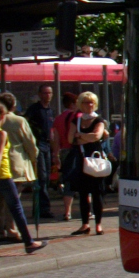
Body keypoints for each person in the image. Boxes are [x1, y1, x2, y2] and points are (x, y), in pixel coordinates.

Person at [0, 102, 46, 260]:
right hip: (2, 176)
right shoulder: (0, 134)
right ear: (2, 117)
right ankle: (29, 242)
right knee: (16, 209)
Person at [0, 93, 38, 243]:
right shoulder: (18, 120)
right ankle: (11, 230)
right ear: (13, 106)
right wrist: (34, 158)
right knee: (13, 200)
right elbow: (29, 143)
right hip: (15, 164)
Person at [69, 92, 107, 236]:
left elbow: (97, 136)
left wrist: (80, 136)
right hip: (81, 159)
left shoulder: (99, 120)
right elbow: (70, 138)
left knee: (97, 193)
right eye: (85, 102)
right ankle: (85, 224)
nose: (89, 105)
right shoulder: (76, 121)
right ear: (80, 104)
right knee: (83, 193)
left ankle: (98, 224)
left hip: (96, 160)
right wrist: (85, 138)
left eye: (91, 102)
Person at [23, 86, 55, 219]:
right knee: (41, 177)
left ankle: (42, 207)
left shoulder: (50, 110)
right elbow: (26, 123)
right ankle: (42, 209)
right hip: (38, 144)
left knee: (46, 177)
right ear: (39, 94)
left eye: (49, 93)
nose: (47, 95)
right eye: (45, 93)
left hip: (47, 144)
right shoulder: (34, 109)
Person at [51, 92, 80, 220]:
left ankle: (67, 211)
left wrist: (56, 154)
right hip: (76, 151)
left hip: (64, 151)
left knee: (68, 181)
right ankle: (89, 211)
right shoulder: (77, 117)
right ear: (72, 104)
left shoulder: (58, 118)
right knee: (84, 180)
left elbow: (55, 139)